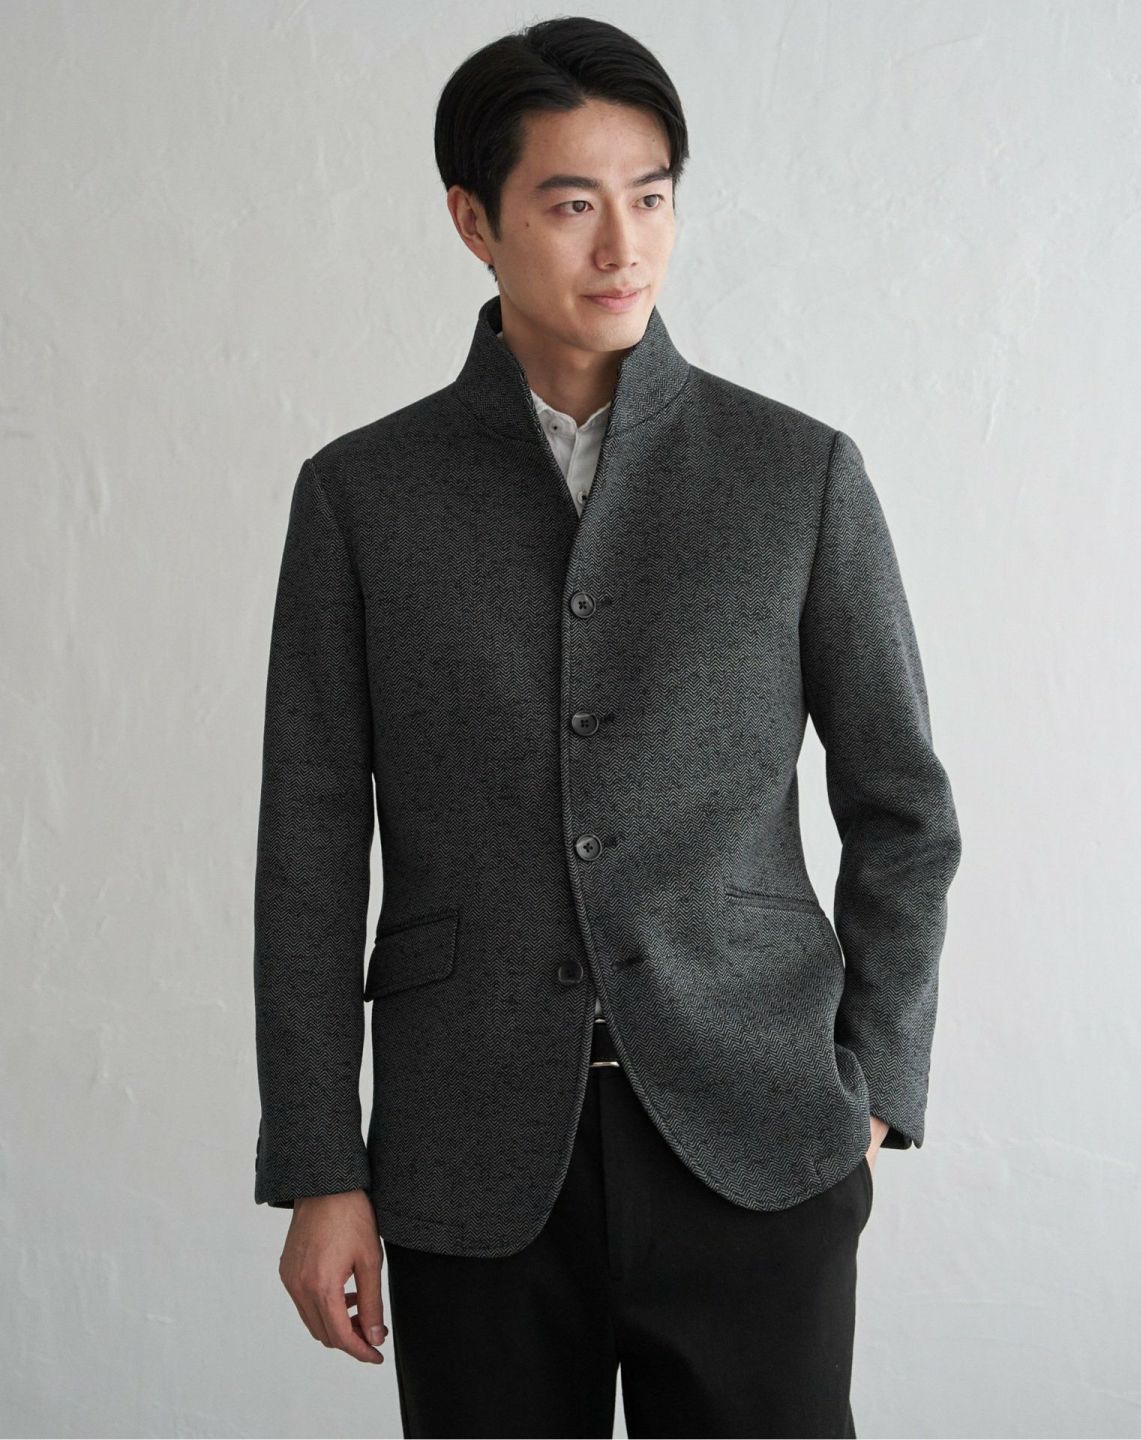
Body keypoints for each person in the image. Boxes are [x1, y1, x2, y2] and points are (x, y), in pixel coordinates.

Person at [252, 16, 962, 1438]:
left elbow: (903, 807)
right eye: (572, 204)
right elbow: (310, 848)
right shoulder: (363, 497)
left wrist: (872, 1087)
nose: (624, 245)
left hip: (756, 1136)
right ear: (474, 221)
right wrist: (323, 1164)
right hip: (468, 1154)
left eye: (651, 195)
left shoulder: (796, 475)